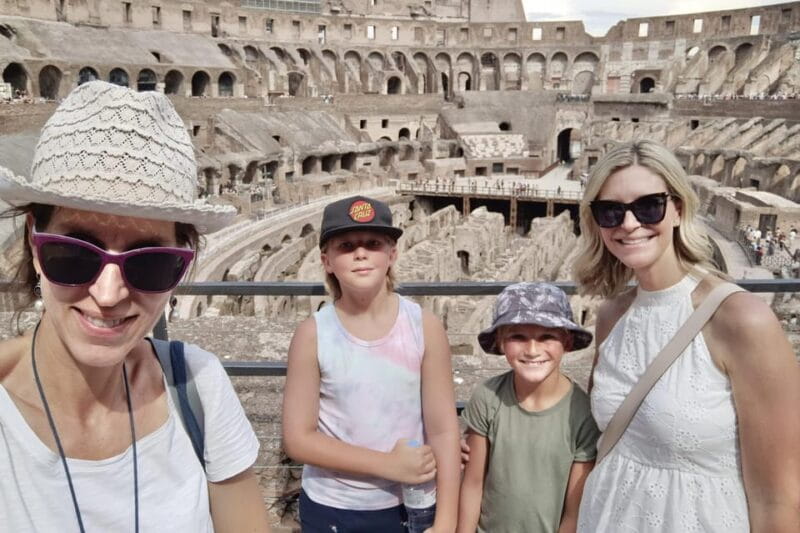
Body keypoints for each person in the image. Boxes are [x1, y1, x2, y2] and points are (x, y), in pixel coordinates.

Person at [0, 81, 270, 532]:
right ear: (33, 242)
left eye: (151, 263)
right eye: (75, 253)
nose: (109, 294)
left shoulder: (199, 387)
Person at [572, 139, 800, 532]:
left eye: (648, 207)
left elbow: (777, 496)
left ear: (677, 209)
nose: (629, 224)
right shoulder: (612, 314)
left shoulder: (742, 320)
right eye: (610, 211)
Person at [282, 195, 461, 533]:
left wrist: (447, 520)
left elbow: (443, 429)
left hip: (409, 505)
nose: (361, 253)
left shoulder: (425, 327)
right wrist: (389, 466)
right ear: (327, 261)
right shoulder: (312, 335)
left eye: (373, 243)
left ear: (392, 254)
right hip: (334, 506)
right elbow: (298, 439)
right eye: (347, 246)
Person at [457, 282, 599, 533]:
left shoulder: (582, 413)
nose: (532, 350)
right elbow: (473, 484)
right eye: (518, 337)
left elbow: (573, 512)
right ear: (501, 343)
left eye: (547, 337)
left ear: (566, 342)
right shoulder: (487, 398)